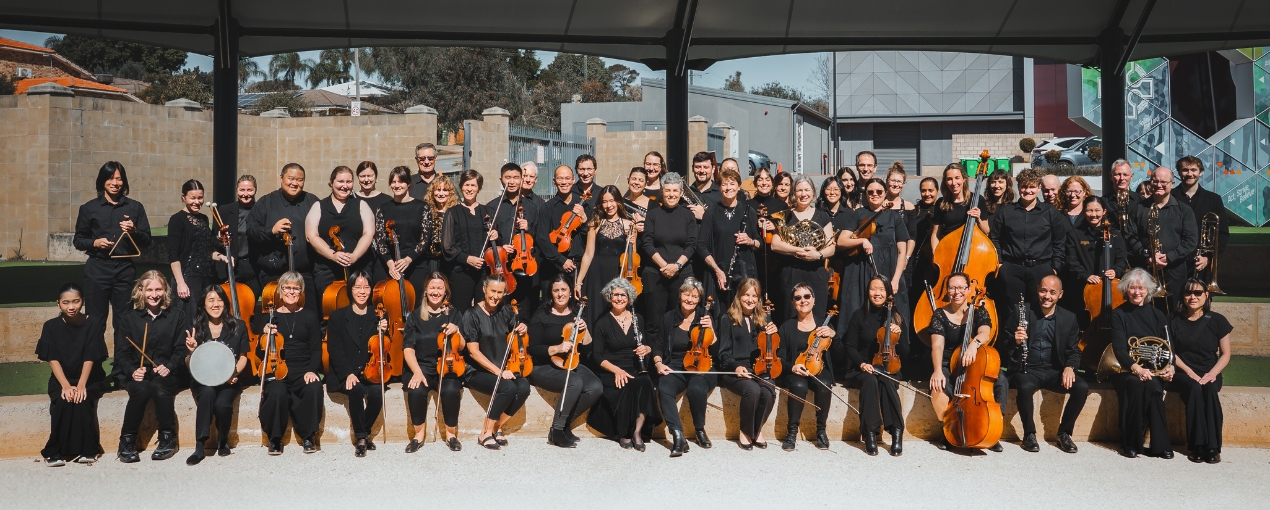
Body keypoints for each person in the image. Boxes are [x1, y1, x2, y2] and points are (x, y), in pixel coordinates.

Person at [999, 275, 1087, 454]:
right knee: (1024, 387)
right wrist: (1015, 342)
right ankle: (1029, 435)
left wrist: (1070, 367)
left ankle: (1064, 434)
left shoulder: (1069, 318)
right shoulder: (1020, 311)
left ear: (1060, 295)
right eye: (1043, 290)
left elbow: (1074, 351)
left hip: (1054, 371)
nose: (1047, 296)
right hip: (1027, 369)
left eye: (1052, 292)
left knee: (1082, 387)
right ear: (1037, 290)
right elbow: (1002, 344)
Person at [113, 270, 186, 463]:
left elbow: (181, 349)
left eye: (159, 289)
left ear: (165, 290)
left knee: (159, 387)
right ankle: (127, 440)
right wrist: (132, 370)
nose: (154, 294)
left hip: (168, 372)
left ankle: (167, 438)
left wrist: (169, 366)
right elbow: (122, 353)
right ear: (140, 290)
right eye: (149, 290)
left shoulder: (177, 316)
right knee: (141, 389)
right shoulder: (129, 318)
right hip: (139, 373)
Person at [927, 272, 1004, 452]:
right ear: (947, 291)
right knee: (938, 386)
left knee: (1000, 381)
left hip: (973, 363)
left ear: (969, 290)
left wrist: (973, 345)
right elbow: (937, 346)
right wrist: (937, 370)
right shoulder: (940, 314)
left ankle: (991, 428)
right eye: (953, 287)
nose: (957, 292)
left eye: (961, 287)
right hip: (949, 363)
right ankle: (948, 429)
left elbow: (985, 333)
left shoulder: (978, 311)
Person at [74, 161, 152, 331]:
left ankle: (122, 358)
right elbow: (78, 240)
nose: (115, 183)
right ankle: (94, 358)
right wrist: (95, 242)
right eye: (110, 178)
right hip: (97, 268)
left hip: (124, 269)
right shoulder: (89, 208)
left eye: (119, 179)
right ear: (102, 181)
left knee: (124, 321)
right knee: (95, 320)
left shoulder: (135, 207)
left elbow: (146, 240)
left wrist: (134, 231)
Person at [652, 278, 726, 456]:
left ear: (699, 299)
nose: (690, 299)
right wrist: (659, 363)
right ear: (680, 295)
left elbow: (716, 351)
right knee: (664, 387)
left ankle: (699, 429)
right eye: (687, 294)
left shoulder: (705, 317)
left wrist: (712, 332)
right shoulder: (669, 318)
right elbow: (658, 346)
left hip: (703, 364)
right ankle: (678, 435)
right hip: (676, 365)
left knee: (696, 388)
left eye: (694, 296)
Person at [37, 283, 108, 466]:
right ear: (58, 304)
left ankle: (89, 450)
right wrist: (66, 386)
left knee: (82, 401)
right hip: (61, 379)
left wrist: (82, 384)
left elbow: (90, 356)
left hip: (89, 377)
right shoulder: (50, 326)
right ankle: (53, 452)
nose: (71, 307)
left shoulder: (93, 323)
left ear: (82, 301)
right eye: (66, 302)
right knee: (62, 402)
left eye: (76, 301)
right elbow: (52, 359)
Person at [254, 271, 324, 455]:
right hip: (278, 370)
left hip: (303, 370)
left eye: (296, 288)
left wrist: (312, 370)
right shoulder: (270, 317)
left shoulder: (309, 316)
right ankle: (275, 438)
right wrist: (265, 336)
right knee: (276, 390)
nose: (291, 292)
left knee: (314, 387)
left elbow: (316, 349)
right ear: (279, 291)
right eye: (287, 288)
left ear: (301, 292)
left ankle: (308, 436)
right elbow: (259, 353)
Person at [527, 276, 603, 448]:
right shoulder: (542, 314)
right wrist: (557, 348)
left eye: (563, 290)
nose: (560, 294)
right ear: (551, 293)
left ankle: (564, 425)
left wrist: (585, 331)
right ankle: (557, 430)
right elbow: (533, 348)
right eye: (556, 290)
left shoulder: (577, 313)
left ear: (570, 292)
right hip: (542, 366)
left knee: (595, 387)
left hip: (569, 362)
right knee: (574, 381)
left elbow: (586, 349)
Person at [1108, 268, 1174, 459]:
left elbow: (1168, 346)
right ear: (1126, 290)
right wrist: (1136, 368)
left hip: (1153, 370)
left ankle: (1160, 445)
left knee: (1153, 387)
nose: (1137, 292)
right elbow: (1120, 349)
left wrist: (1171, 367)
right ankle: (1131, 443)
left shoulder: (1158, 315)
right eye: (1132, 288)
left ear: (1148, 290)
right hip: (1126, 369)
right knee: (1137, 385)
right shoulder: (1118, 314)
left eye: (1141, 288)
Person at [461, 275, 531, 450]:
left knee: (524, 387)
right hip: (477, 371)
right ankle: (485, 432)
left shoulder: (507, 311)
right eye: (492, 291)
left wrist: (522, 329)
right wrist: (499, 372)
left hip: (504, 369)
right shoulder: (471, 315)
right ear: (484, 289)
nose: (496, 296)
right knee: (507, 387)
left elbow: (515, 338)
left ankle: (497, 426)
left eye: (500, 292)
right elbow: (473, 352)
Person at [181, 285, 249, 465]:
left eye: (219, 300)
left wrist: (233, 373)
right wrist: (191, 352)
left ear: (225, 304)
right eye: (211, 300)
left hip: (229, 379)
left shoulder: (238, 326)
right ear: (203, 304)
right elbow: (188, 364)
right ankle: (200, 446)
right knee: (208, 394)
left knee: (222, 404)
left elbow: (243, 358)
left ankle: (222, 441)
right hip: (202, 380)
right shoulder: (196, 328)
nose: (216, 304)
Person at [325, 271, 390, 457]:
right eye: (357, 287)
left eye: (366, 287)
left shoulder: (378, 314)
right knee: (356, 389)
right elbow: (334, 349)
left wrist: (383, 333)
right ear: (350, 290)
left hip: (371, 370)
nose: (362, 291)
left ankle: (364, 431)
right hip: (346, 372)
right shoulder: (338, 317)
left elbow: (385, 347)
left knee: (377, 393)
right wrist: (347, 373)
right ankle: (361, 439)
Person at [842, 275, 907, 456]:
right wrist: (862, 363)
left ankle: (896, 431)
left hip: (889, 367)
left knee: (886, 381)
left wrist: (899, 337)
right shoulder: (858, 315)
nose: (877, 293)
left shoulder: (897, 317)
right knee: (871, 380)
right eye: (873, 289)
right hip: (862, 368)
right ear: (867, 291)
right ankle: (870, 432)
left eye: (881, 290)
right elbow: (850, 346)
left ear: (888, 293)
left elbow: (907, 352)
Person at [588, 277, 656, 451]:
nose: (619, 298)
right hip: (611, 368)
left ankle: (637, 432)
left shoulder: (637, 319)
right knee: (626, 385)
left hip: (634, 365)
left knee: (645, 383)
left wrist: (647, 349)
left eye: (623, 295)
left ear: (629, 297)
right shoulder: (602, 322)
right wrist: (616, 370)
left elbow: (645, 344)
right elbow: (596, 355)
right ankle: (624, 431)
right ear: (609, 297)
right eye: (615, 295)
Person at [401, 272, 466, 452]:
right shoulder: (415, 316)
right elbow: (408, 348)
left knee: (451, 390)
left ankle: (451, 435)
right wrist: (417, 372)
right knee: (416, 390)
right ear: (426, 291)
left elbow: (461, 347)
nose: (435, 292)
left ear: (446, 292)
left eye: (439, 288)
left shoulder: (453, 314)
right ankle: (419, 435)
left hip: (448, 366)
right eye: (432, 288)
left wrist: (457, 332)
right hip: (421, 366)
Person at [1169, 278, 1230, 464]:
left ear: (1206, 295)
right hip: (1182, 371)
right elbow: (1171, 352)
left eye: (1197, 293)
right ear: (1183, 296)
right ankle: (1197, 446)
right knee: (1195, 389)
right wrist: (1189, 372)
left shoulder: (1218, 320)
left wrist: (1212, 374)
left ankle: (1213, 447)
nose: (1192, 297)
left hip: (1210, 370)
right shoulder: (1173, 319)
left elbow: (1226, 354)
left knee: (1210, 389)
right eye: (1188, 293)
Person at [989, 168, 1068, 312]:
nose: (1027, 190)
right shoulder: (1006, 212)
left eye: (1032, 187)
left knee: (1037, 311)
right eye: (1024, 186)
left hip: (1041, 268)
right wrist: (1000, 263)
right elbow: (995, 238)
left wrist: (1055, 267)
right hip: (1012, 268)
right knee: (1011, 312)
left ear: (1039, 188)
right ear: (1018, 187)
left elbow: (1059, 241)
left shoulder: (1050, 213)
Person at [838, 178, 909, 333]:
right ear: (866, 194)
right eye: (870, 192)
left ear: (885, 193)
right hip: (861, 268)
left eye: (879, 191)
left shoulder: (894, 216)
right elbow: (841, 241)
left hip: (888, 269)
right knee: (857, 308)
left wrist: (895, 280)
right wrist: (862, 240)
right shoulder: (858, 214)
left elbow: (902, 251)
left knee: (892, 313)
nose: (874, 194)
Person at [1124, 167, 1198, 311]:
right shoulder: (1138, 208)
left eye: (1163, 182)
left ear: (1172, 183)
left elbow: (1190, 240)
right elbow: (1130, 236)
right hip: (1146, 269)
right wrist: (1147, 256)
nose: (1159, 185)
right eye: (1155, 181)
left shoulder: (1184, 210)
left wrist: (1169, 257)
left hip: (1174, 269)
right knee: (1144, 309)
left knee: (1174, 309)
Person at [247, 163, 320, 308]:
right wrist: (271, 230)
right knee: (276, 317)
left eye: (300, 180)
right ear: (281, 178)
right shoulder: (265, 203)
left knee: (309, 315)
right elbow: (251, 231)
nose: (295, 183)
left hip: (305, 274)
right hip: (274, 274)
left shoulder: (312, 201)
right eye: (291, 178)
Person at [717, 278, 777, 450]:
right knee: (753, 390)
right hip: (733, 370)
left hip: (756, 369)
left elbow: (770, 350)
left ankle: (756, 430)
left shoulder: (762, 320)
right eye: (746, 295)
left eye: (754, 296)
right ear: (739, 296)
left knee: (769, 389)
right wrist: (735, 366)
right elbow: (723, 353)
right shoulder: (727, 318)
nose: (750, 299)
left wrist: (772, 334)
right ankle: (745, 431)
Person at [777, 283, 836, 451]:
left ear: (814, 300)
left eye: (806, 296)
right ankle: (792, 431)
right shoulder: (787, 327)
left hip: (818, 367)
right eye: (798, 298)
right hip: (795, 368)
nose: (803, 300)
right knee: (798, 385)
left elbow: (839, 354)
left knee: (824, 385)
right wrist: (792, 367)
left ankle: (821, 430)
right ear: (793, 302)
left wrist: (834, 336)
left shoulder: (824, 325)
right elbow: (780, 358)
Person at [640, 173, 699, 342]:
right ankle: (654, 362)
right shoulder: (653, 214)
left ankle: (674, 359)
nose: (671, 194)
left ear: (681, 192)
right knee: (654, 321)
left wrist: (677, 266)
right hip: (655, 273)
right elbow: (647, 243)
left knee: (679, 319)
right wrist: (665, 265)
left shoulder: (688, 216)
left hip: (681, 273)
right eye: (667, 190)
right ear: (661, 191)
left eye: (675, 190)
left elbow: (691, 244)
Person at [306, 166, 376, 308]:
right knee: (329, 310)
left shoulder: (361, 205)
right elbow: (311, 235)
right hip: (327, 269)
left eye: (349, 182)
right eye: (340, 181)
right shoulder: (318, 206)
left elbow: (368, 233)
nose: (345, 186)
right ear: (331, 182)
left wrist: (355, 256)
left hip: (359, 267)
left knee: (360, 308)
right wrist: (333, 255)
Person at [770, 175, 836, 322]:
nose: (803, 194)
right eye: (799, 190)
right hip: (791, 272)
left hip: (815, 272)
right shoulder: (786, 216)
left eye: (807, 190)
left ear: (813, 192)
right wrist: (797, 250)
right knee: (790, 315)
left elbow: (831, 248)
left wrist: (818, 254)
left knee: (817, 316)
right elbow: (775, 244)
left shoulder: (823, 216)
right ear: (794, 193)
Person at [698, 167, 760, 306]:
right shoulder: (711, 212)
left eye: (732, 183)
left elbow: (759, 242)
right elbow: (701, 246)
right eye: (724, 184)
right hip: (718, 272)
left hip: (743, 272)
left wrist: (750, 241)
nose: (728, 187)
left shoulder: (748, 212)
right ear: (719, 187)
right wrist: (717, 271)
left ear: (738, 187)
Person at [575, 185, 636, 325]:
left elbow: (633, 258)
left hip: (617, 273)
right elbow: (588, 254)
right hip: (596, 274)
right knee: (595, 312)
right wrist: (579, 282)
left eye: (612, 200)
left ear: (619, 202)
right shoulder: (594, 224)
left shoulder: (629, 225)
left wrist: (631, 242)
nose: (609, 205)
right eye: (604, 201)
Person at [168, 179, 228, 320]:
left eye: (200, 198)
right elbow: (173, 255)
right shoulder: (177, 220)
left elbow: (206, 251)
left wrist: (223, 257)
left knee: (204, 319)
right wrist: (181, 283)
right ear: (184, 197)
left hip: (205, 278)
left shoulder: (204, 219)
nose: (197, 202)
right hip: (188, 278)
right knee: (189, 320)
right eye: (192, 198)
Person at [487, 163, 540, 318]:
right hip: (501, 266)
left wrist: (528, 229)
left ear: (521, 179)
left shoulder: (531, 207)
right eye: (507, 177)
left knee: (524, 310)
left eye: (516, 178)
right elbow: (489, 239)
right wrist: (501, 246)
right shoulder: (492, 207)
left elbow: (538, 238)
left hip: (524, 266)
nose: (512, 181)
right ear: (501, 180)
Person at [1064, 196, 1129, 323]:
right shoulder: (1075, 234)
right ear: (1084, 211)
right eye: (1089, 210)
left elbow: (1122, 259)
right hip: (1083, 289)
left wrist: (1116, 271)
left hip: (1110, 287)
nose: (1093, 214)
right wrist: (1085, 275)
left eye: (1097, 210)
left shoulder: (1114, 234)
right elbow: (1071, 261)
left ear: (1104, 211)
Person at [1171, 155, 1228, 284]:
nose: (1189, 174)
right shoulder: (1170, 197)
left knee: (1199, 300)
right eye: (1185, 170)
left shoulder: (1214, 200)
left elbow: (1222, 234)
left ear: (1200, 172)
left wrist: (1208, 258)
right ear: (1179, 172)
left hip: (1202, 262)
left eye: (1193, 170)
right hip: (1174, 261)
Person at [441, 169, 493, 312]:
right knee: (460, 311)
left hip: (483, 272)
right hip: (461, 272)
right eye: (466, 185)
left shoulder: (487, 211)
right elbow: (447, 246)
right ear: (461, 186)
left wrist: (496, 236)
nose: (469, 189)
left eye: (473, 185)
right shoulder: (452, 212)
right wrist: (467, 259)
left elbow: (495, 242)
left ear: (479, 188)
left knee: (483, 312)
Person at [374, 166, 431, 293]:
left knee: (416, 300)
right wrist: (390, 264)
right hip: (388, 262)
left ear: (409, 183)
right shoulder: (382, 208)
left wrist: (408, 259)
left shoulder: (422, 207)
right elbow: (380, 241)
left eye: (401, 182)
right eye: (393, 182)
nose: (397, 185)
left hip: (415, 261)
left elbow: (425, 239)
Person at [538, 165, 589, 295]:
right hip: (554, 266)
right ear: (554, 181)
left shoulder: (583, 205)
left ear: (573, 180)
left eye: (567, 178)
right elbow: (542, 238)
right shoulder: (547, 207)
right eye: (560, 178)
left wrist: (583, 218)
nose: (564, 182)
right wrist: (561, 260)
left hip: (578, 266)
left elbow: (590, 236)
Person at [215, 175, 260, 294]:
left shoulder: (260, 210)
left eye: (250, 190)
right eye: (242, 190)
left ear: (255, 190)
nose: (245, 194)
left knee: (250, 304)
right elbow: (213, 240)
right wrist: (219, 237)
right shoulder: (225, 210)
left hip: (253, 268)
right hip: (232, 265)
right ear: (237, 190)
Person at [930, 162, 988, 252]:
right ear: (945, 182)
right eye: (949, 179)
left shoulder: (977, 199)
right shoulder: (941, 203)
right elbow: (936, 234)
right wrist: (935, 253)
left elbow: (986, 232)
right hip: (948, 249)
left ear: (964, 179)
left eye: (957, 178)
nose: (954, 183)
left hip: (972, 251)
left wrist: (978, 220)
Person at [422, 173, 459, 275]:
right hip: (430, 260)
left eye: (445, 190)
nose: (441, 193)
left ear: (450, 193)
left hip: (450, 261)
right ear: (432, 192)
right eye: (438, 190)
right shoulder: (426, 211)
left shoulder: (456, 212)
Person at [1106, 159, 1143, 234]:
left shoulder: (1141, 200)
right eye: (1118, 174)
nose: (1122, 178)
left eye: (1125, 175)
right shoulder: (1103, 202)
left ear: (1131, 176)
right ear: (1111, 176)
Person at [686, 151, 720, 216]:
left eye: (706, 167)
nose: (702, 171)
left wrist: (705, 216)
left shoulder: (721, 195)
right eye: (698, 167)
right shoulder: (686, 193)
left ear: (713, 169)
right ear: (692, 169)